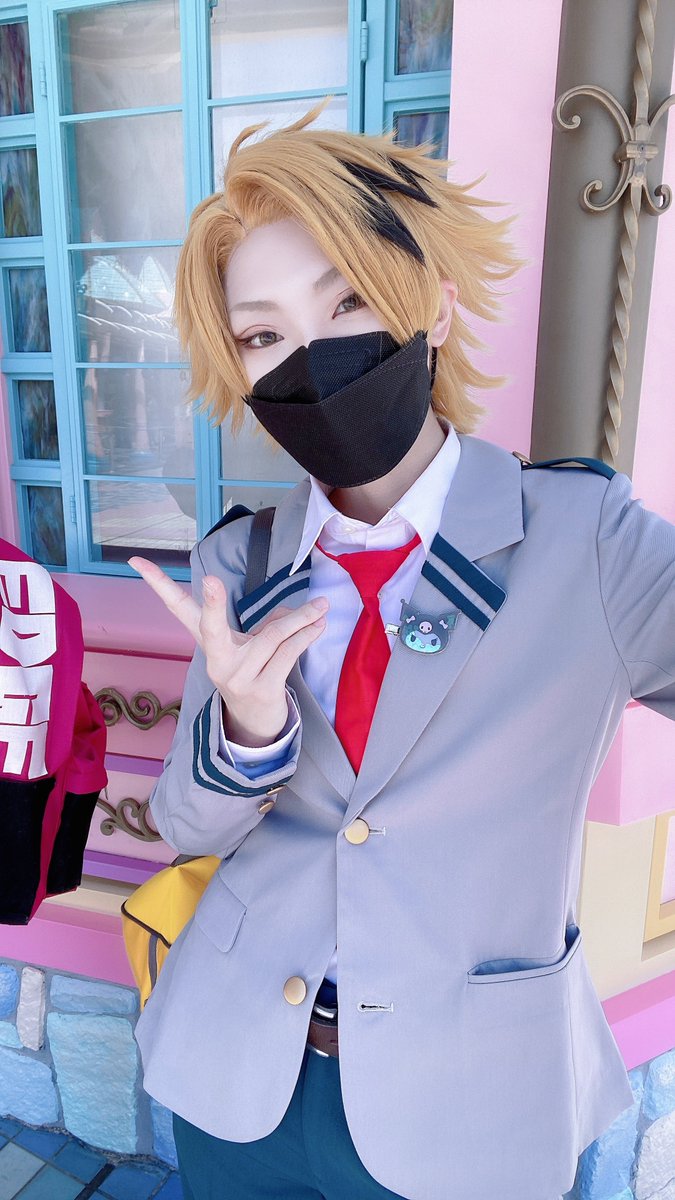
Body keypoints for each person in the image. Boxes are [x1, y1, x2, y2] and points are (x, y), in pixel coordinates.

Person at [128, 103, 674, 1200]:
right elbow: (186, 828)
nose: (311, 355)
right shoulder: (240, 562)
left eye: (347, 302)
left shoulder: (587, 540)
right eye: (264, 336)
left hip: (467, 1098)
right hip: (240, 1077)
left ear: (432, 304)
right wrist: (248, 732)